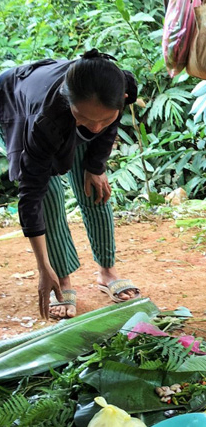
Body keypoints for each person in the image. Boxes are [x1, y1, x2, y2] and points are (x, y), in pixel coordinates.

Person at [0, 50, 140, 320]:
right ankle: (61, 279)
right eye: (87, 119)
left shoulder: (118, 87)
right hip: (18, 103)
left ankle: (107, 272)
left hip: (76, 108)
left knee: (95, 186)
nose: (96, 128)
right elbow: (31, 197)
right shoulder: (46, 119)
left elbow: (101, 121)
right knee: (48, 197)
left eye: (105, 119)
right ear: (69, 101)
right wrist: (42, 267)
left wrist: (96, 165)